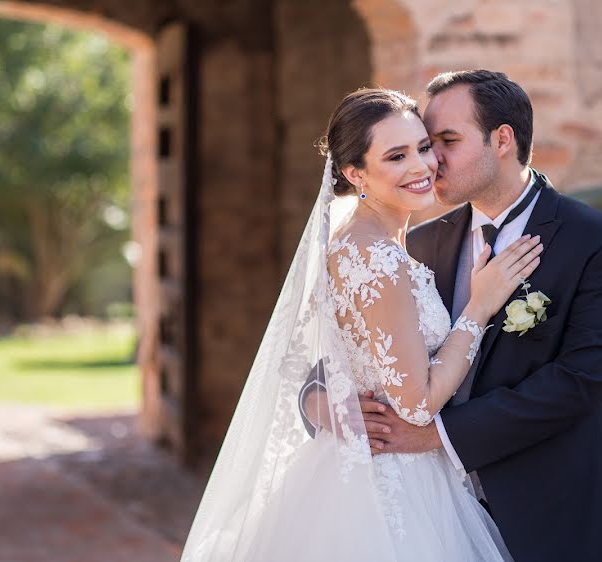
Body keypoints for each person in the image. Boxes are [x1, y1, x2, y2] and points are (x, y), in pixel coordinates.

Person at [180, 87, 542, 561]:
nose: (421, 167)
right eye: (396, 156)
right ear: (355, 173)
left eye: (423, 147)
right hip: (391, 483)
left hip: (361, 466)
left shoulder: (361, 243)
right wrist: (479, 307)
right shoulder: (375, 258)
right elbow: (416, 404)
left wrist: (319, 399)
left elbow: (323, 355)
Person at [347, 70, 602, 562]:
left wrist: (437, 436)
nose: (429, 160)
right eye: (424, 144)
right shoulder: (415, 244)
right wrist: (326, 404)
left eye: (445, 141)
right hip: (436, 516)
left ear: (501, 139)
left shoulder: (601, 242)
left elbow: (580, 380)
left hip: (552, 512)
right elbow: (341, 345)